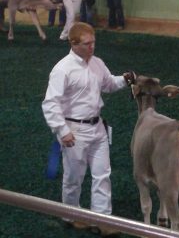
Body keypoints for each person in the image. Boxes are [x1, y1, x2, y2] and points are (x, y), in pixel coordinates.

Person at [42, 22, 136, 236]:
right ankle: (70, 214)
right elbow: (50, 103)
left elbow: (108, 84)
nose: (92, 47)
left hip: (98, 127)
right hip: (74, 130)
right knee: (74, 176)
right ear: (73, 43)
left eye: (93, 42)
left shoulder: (97, 63)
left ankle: (101, 219)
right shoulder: (62, 69)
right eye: (87, 44)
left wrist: (124, 79)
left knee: (103, 174)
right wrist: (62, 130)